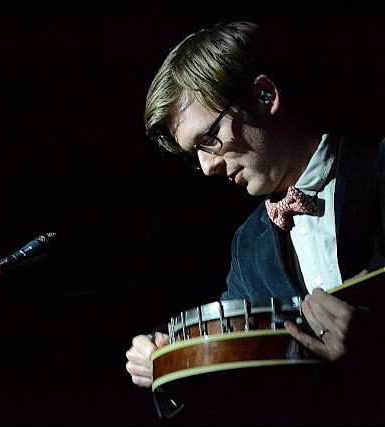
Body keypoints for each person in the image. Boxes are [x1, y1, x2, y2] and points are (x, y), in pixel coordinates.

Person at [125, 20, 385, 424]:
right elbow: (231, 370)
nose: (207, 167)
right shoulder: (250, 245)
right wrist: (165, 358)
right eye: (193, 154)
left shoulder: (381, 171)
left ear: (265, 96)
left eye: (208, 140)